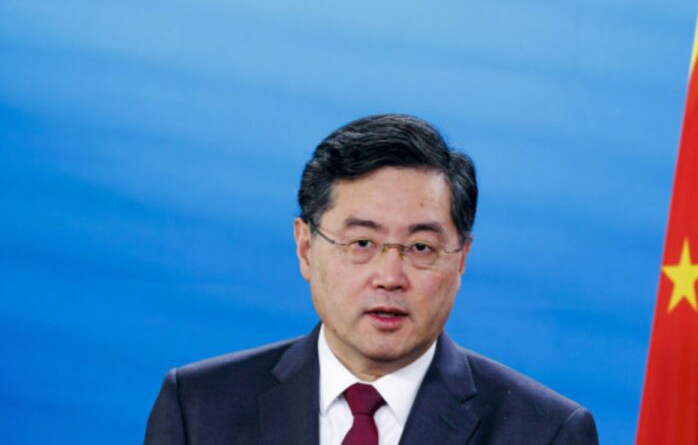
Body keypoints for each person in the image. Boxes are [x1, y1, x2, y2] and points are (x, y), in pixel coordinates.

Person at [144, 114, 599, 445]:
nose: (390, 277)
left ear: (461, 260)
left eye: (420, 247)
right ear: (305, 248)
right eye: (362, 243)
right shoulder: (198, 408)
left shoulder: (546, 432)